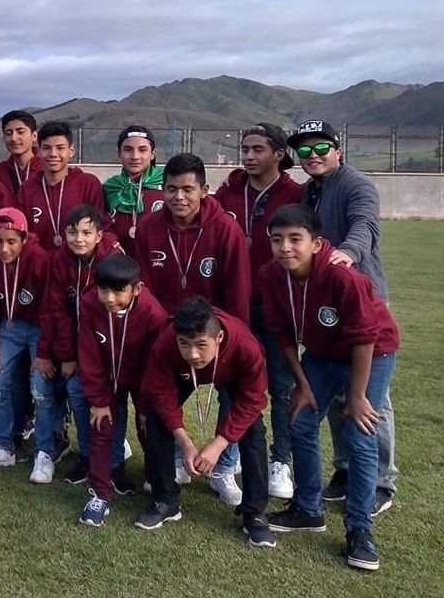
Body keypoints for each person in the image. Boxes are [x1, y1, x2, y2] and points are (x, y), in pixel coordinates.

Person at [260, 204, 399, 571]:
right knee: (301, 420)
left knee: (359, 433)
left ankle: (359, 530)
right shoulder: (271, 275)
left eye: (295, 239)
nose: (285, 248)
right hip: (321, 355)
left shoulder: (342, 276)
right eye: (277, 240)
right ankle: (308, 508)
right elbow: (282, 334)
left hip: (371, 352)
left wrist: (356, 396)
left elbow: (365, 337)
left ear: (317, 243)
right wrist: (302, 384)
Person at [286, 120, 398, 515]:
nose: (312, 156)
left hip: (362, 300)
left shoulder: (356, 185)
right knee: (336, 396)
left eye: (321, 148)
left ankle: (381, 481)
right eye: (304, 151)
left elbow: (365, 226)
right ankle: (347, 470)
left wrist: (347, 253)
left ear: (338, 150)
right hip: (325, 307)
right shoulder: (309, 191)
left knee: (370, 399)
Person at [133, 152, 250, 505]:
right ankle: (172, 462)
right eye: (171, 189)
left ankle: (224, 469)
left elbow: (237, 291)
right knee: (159, 399)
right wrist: (164, 337)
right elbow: (145, 291)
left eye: (187, 189)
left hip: (217, 336)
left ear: (204, 190)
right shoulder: (149, 228)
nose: (179, 197)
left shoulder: (225, 229)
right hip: (170, 337)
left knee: (234, 398)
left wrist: (226, 341)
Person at [136, 297, 275, 549]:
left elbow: (253, 399)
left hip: (231, 373)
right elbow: (162, 394)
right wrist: (186, 444)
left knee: (253, 428)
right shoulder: (166, 342)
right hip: (182, 375)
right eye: (184, 344)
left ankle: (254, 513)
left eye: (201, 344)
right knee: (155, 418)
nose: (193, 354)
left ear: (218, 337)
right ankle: (165, 500)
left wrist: (218, 444)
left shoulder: (246, 345)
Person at [215, 123, 303, 499]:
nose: (249, 157)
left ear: (279, 155)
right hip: (235, 307)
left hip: (279, 307)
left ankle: (281, 461)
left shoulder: (296, 195)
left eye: (258, 150)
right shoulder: (228, 192)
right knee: (232, 387)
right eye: (245, 149)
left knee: (281, 388)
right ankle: (225, 463)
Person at [76, 253, 168, 526]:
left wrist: (146, 405)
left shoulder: (153, 313)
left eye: (118, 291)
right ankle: (99, 493)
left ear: (137, 289)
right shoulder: (89, 304)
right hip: (106, 376)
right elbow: (89, 354)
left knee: (150, 428)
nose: (109, 298)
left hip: (142, 378)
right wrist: (98, 399)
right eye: (103, 289)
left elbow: (156, 363)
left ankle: (157, 483)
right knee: (101, 426)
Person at [0, 208, 59, 483]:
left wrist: (44, 353)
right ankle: (4, 446)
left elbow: (50, 308)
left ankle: (44, 453)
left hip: (39, 327)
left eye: (11, 241)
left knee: (40, 389)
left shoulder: (40, 259)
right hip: (9, 326)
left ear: (24, 238)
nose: (4, 248)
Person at [43, 204, 128, 486]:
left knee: (114, 401)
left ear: (99, 235)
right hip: (78, 344)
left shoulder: (112, 258)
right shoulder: (59, 260)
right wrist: (68, 355)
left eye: (86, 233)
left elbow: (121, 308)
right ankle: (87, 456)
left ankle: (115, 463)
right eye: (72, 232)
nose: (78, 239)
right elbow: (57, 310)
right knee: (77, 393)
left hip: (110, 345)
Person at [15, 121, 104, 252]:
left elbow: (101, 227)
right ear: (38, 151)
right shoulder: (27, 188)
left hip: (77, 260)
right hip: (40, 262)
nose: (53, 154)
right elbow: (22, 233)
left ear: (71, 151)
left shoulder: (88, 183)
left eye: (60, 148)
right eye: (46, 148)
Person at [102, 125, 165, 255]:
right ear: (119, 153)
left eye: (142, 150)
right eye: (128, 150)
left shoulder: (169, 183)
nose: (135, 156)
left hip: (161, 259)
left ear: (153, 154)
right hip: (120, 260)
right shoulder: (109, 189)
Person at [0, 110, 42, 197]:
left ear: (34, 136)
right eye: (9, 133)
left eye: (20, 132)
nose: (14, 138)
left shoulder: (45, 168)